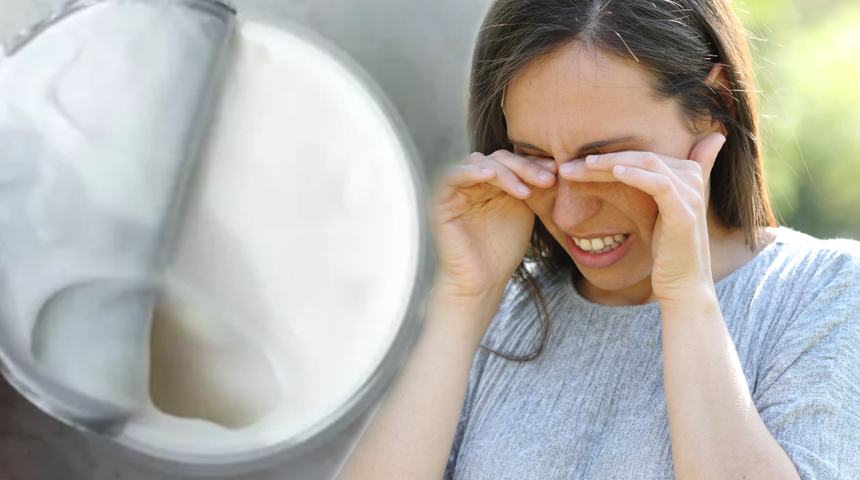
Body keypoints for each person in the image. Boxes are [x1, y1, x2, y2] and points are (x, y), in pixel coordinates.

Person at [336, 0, 860, 478]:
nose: (569, 212)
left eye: (603, 161)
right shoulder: (499, 313)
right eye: (535, 158)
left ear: (711, 104)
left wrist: (686, 298)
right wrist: (465, 300)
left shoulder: (825, 295)